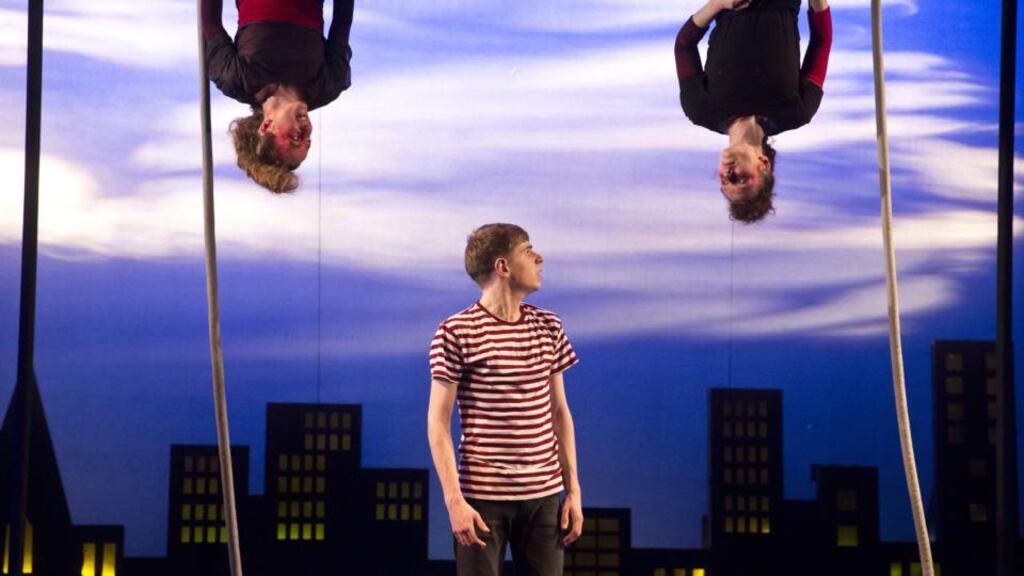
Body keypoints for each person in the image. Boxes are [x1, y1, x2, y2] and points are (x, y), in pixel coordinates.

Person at [427, 223, 584, 576]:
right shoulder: (455, 331)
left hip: (543, 498)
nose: (539, 257)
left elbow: (560, 412)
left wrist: (573, 492)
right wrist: (455, 503)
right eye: (528, 251)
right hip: (482, 500)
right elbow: (438, 423)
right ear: (503, 266)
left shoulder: (549, 326)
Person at [675, 0, 832, 222]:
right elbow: (821, 42)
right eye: (741, 180)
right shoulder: (797, 111)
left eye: (724, 181)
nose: (729, 175)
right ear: (763, 164)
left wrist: (718, 4)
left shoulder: (700, 108)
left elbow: (683, 45)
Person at [200, 0, 354, 193]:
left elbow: (210, 22)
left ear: (266, 126)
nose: (306, 131)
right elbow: (343, 19)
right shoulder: (328, 84)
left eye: (296, 137)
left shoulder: (236, 79)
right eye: (308, 141)